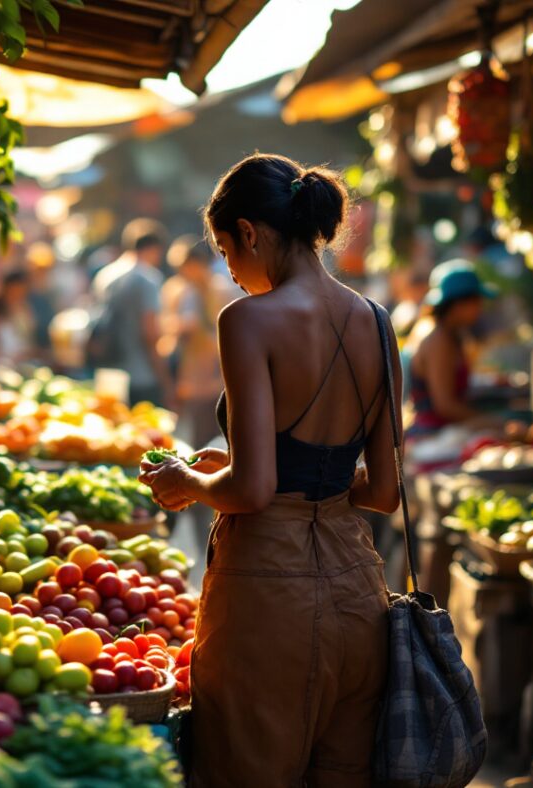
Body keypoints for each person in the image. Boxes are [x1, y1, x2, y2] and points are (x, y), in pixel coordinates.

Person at [139, 153, 401, 786]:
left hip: (267, 600)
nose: (231, 273)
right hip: (358, 595)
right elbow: (384, 492)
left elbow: (252, 492)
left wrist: (189, 483)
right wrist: (258, 469)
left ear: (250, 233)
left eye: (228, 253)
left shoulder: (247, 321)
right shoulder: (377, 321)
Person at [404, 259, 499, 442]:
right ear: (458, 305)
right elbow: (445, 405)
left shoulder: (448, 335)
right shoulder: (439, 340)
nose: (480, 308)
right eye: (476, 301)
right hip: (432, 437)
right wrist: (492, 421)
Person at [160, 235, 233, 449]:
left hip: (217, 373)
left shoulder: (221, 290)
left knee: (219, 435)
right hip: (190, 376)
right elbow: (167, 334)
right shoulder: (177, 290)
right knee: (198, 439)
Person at [91, 218, 173, 407]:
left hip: (108, 372)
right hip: (141, 376)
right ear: (155, 248)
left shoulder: (105, 275)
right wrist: (166, 381)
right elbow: (149, 333)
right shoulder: (147, 279)